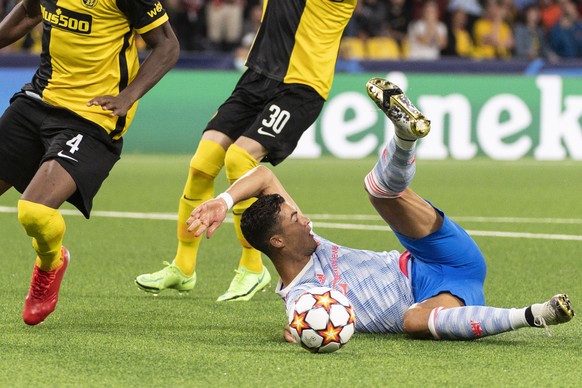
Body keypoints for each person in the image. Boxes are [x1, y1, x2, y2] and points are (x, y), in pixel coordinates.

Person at [186, 77, 575, 340]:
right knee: (412, 321)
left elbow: (263, 178)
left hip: (434, 257)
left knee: (379, 192)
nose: (304, 217)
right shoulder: (302, 296)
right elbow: (300, 324)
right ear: (277, 241)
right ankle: (533, 314)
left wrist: (223, 201)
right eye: (293, 218)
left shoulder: (310, 242)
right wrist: (298, 333)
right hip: (438, 298)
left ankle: (405, 138)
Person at [135, 0, 357, 302]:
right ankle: (183, 268)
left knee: (240, 157)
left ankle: (252, 268)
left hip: (301, 86)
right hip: (258, 77)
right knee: (202, 164)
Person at [0, 0, 179, 325]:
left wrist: (128, 96)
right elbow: (28, 13)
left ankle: (50, 263)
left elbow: (167, 45)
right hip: (40, 98)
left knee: (35, 212)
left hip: (93, 116)